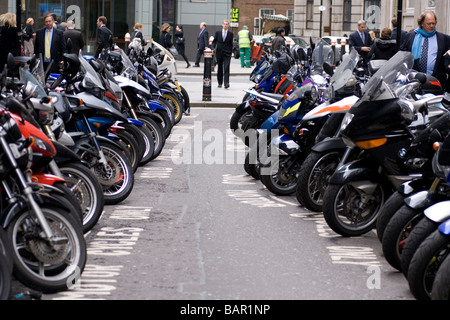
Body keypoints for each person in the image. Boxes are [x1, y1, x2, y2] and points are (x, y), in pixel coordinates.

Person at [400, 10, 450, 87]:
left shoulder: (443, 38)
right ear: (422, 23)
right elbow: (402, 55)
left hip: (436, 83)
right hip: (414, 82)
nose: (432, 26)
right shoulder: (410, 37)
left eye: (433, 23)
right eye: (429, 23)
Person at [212, 19, 233, 88]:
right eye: (224, 24)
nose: (225, 25)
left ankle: (226, 83)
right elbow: (214, 42)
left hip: (227, 53)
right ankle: (220, 82)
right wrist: (213, 48)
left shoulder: (230, 34)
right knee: (220, 67)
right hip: (219, 52)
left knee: (226, 67)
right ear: (222, 25)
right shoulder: (218, 33)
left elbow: (231, 44)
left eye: (227, 24)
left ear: (228, 25)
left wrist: (230, 51)